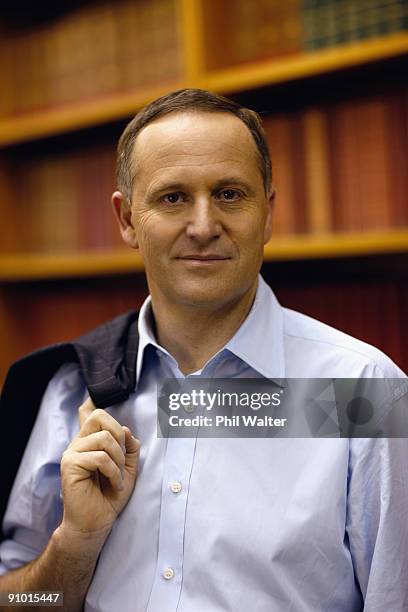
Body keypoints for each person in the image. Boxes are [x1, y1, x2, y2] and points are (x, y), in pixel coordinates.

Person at [0, 88, 407, 612]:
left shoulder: (364, 391)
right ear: (127, 220)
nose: (203, 225)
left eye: (230, 194)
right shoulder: (70, 388)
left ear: (268, 214)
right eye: (172, 198)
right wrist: (74, 546)